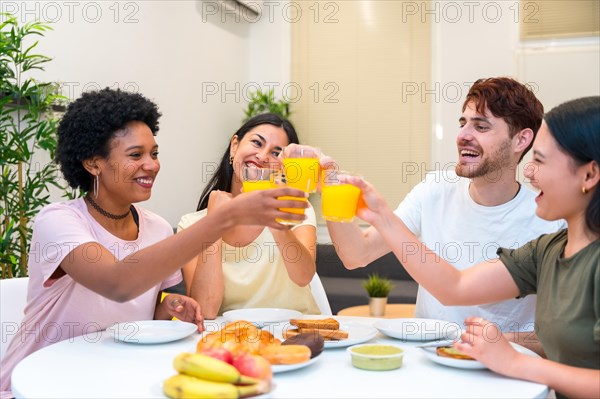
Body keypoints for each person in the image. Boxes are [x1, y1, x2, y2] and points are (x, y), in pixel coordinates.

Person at [0, 90, 308, 396]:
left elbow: (142, 311)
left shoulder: (157, 227)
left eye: (155, 154)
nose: (152, 165)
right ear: (93, 164)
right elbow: (117, 282)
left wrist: (168, 305)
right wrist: (220, 220)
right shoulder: (58, 221)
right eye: (136, 155)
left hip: (108, 376)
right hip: (36, 383)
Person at [338, 96, 600, 398]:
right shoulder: (548, 249)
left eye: (539, 160)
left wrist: (514, 360)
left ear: (589, 175)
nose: (529, 173)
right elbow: (455, 287)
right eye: (463, 123)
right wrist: (382, 216)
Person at [326, 77, 564, 353]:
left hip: (505, 377)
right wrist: (330, 188)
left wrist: (489, 344)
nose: (462, 135)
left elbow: (562, 338)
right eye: (463, 123)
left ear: (521, 139)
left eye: (481, 126)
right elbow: (356, 254)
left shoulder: (550, 216)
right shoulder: (435, 189)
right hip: (428, 364)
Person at [178, 113, 320, 319]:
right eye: (256, 143)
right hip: (233, 338)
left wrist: (273, 215)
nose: (262, 157)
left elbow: (303, 277)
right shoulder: (192, 224)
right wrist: (214, 222)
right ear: (234, 146)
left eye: (276, 153)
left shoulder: (297, 210)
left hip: (295, 334)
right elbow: (205, 310)